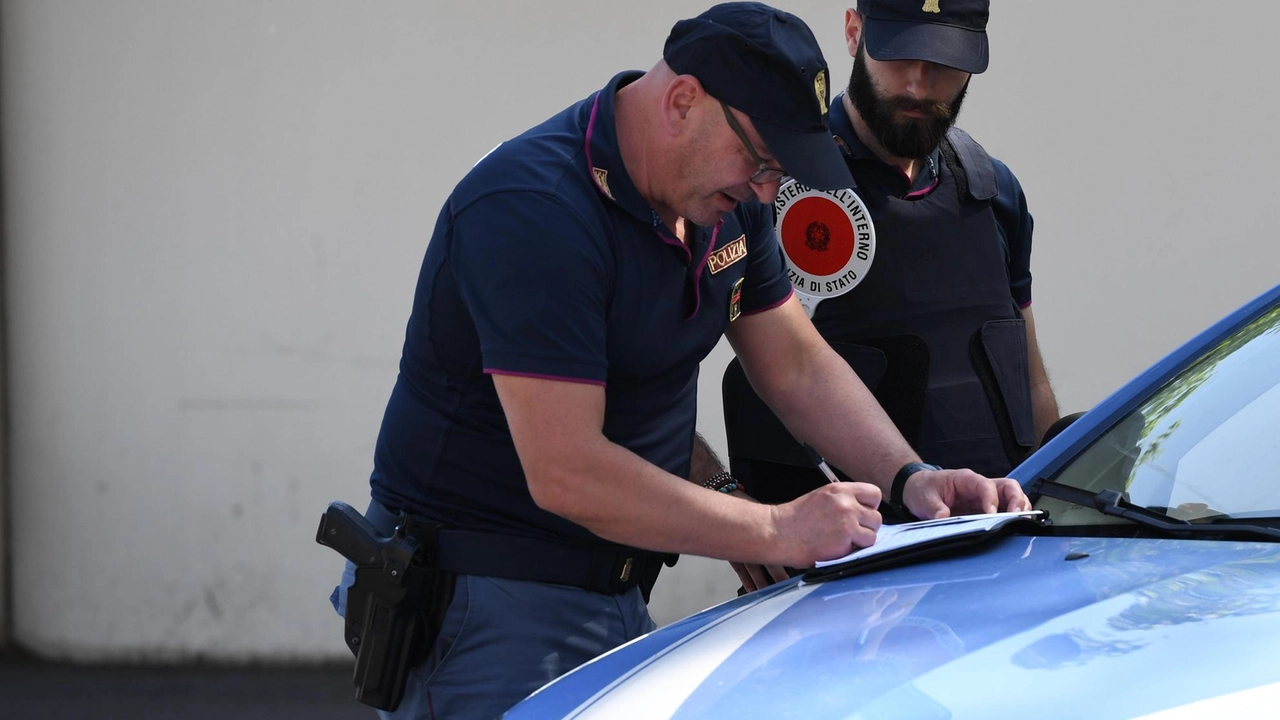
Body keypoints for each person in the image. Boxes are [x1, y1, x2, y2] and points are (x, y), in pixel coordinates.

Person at [329, 3, 1029, 718]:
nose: (765, 189)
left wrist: (912, 478)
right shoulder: (532, 209)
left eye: (778, 169)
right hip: (486, 602)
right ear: (683, 101)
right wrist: (776, 529)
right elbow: (567, 470)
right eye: (759, 161)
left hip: (614, 588)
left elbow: (793, 361)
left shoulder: (729, 199)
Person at [713, 0, 1058, 555]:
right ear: (854, 32)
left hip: (998, 552)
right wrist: (730, 504)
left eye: (945, 62)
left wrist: (1058, 500)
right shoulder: (764, 187)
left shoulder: (993, 190)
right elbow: (653, 375)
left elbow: (1028, 375)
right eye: (899, 57)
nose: (920, 87)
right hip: (837, 571)